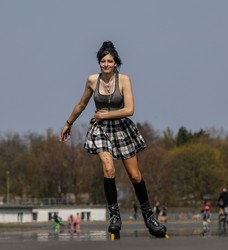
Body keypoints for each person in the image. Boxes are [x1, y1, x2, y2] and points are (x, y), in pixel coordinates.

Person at [59, 41, 167, 238]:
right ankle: (115, 216)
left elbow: (129, 110)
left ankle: (149, 217)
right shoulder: (93, 80)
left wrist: (102, 115)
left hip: (121, 128)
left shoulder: (124, 79)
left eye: (109, 61)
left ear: (115, 62)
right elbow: (82, 103)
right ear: (99, 63)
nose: (106, 64)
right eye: (103, 61)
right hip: (100, 130)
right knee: (109, 168)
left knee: (134, 175)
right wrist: (69, 123)